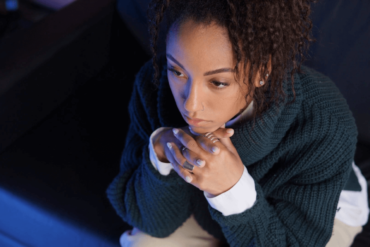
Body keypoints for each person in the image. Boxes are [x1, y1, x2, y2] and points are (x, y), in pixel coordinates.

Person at [107, 0, 369, 246]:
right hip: (205, 207)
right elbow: (150, 222)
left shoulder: (325, 123)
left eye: (218, 82)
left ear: (261, 71)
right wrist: (161, 159)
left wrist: (230, 188)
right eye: (177, 71)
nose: (190, 104)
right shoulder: (153, 87)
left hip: (319, 211)